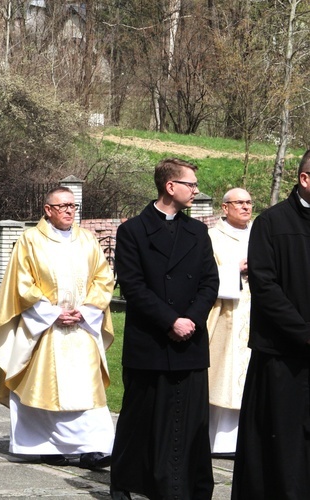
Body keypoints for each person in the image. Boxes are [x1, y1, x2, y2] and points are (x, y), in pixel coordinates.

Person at [110, 158, 219, 499]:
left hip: (189, 341)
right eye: (190, 184)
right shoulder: (132, 231)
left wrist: (191, 319)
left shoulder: (198, 232)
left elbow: (209, 282)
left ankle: (188, 487)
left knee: (191, 421)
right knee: (140, 418)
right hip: (152, 340)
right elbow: (132, 285)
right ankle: (128, 482)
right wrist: (170, 320)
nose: (196, 190)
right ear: (171, 187)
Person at [0, 187, 115, 469]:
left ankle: (93, 448)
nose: (69, 211)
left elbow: (104, 278)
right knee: (42, 385)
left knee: (87, 387)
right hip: (44, 328)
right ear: (48, 210)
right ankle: (46, 445)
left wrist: (85, 310)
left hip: (81, 326)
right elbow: (21, 283)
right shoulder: (30, 240)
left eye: (73, 206)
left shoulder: (88, 240)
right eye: (63, 206)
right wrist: (53, 313)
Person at [232, 153, 310, 498]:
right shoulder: (272, 223)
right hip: (284, 354)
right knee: (283, 445)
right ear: (305, 180)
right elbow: (264, 286)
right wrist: (304, 333)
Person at [205, 188, 253, 456]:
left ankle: (247, 439)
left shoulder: (260, 234)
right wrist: (236, 270)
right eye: (239, 203)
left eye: (248, 202)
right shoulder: (212, 237)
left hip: (256, 312)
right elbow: (205, 273)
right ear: (225, 208)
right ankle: (219, 441)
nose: (245, 207)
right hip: (225, 312)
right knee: (223, 373)